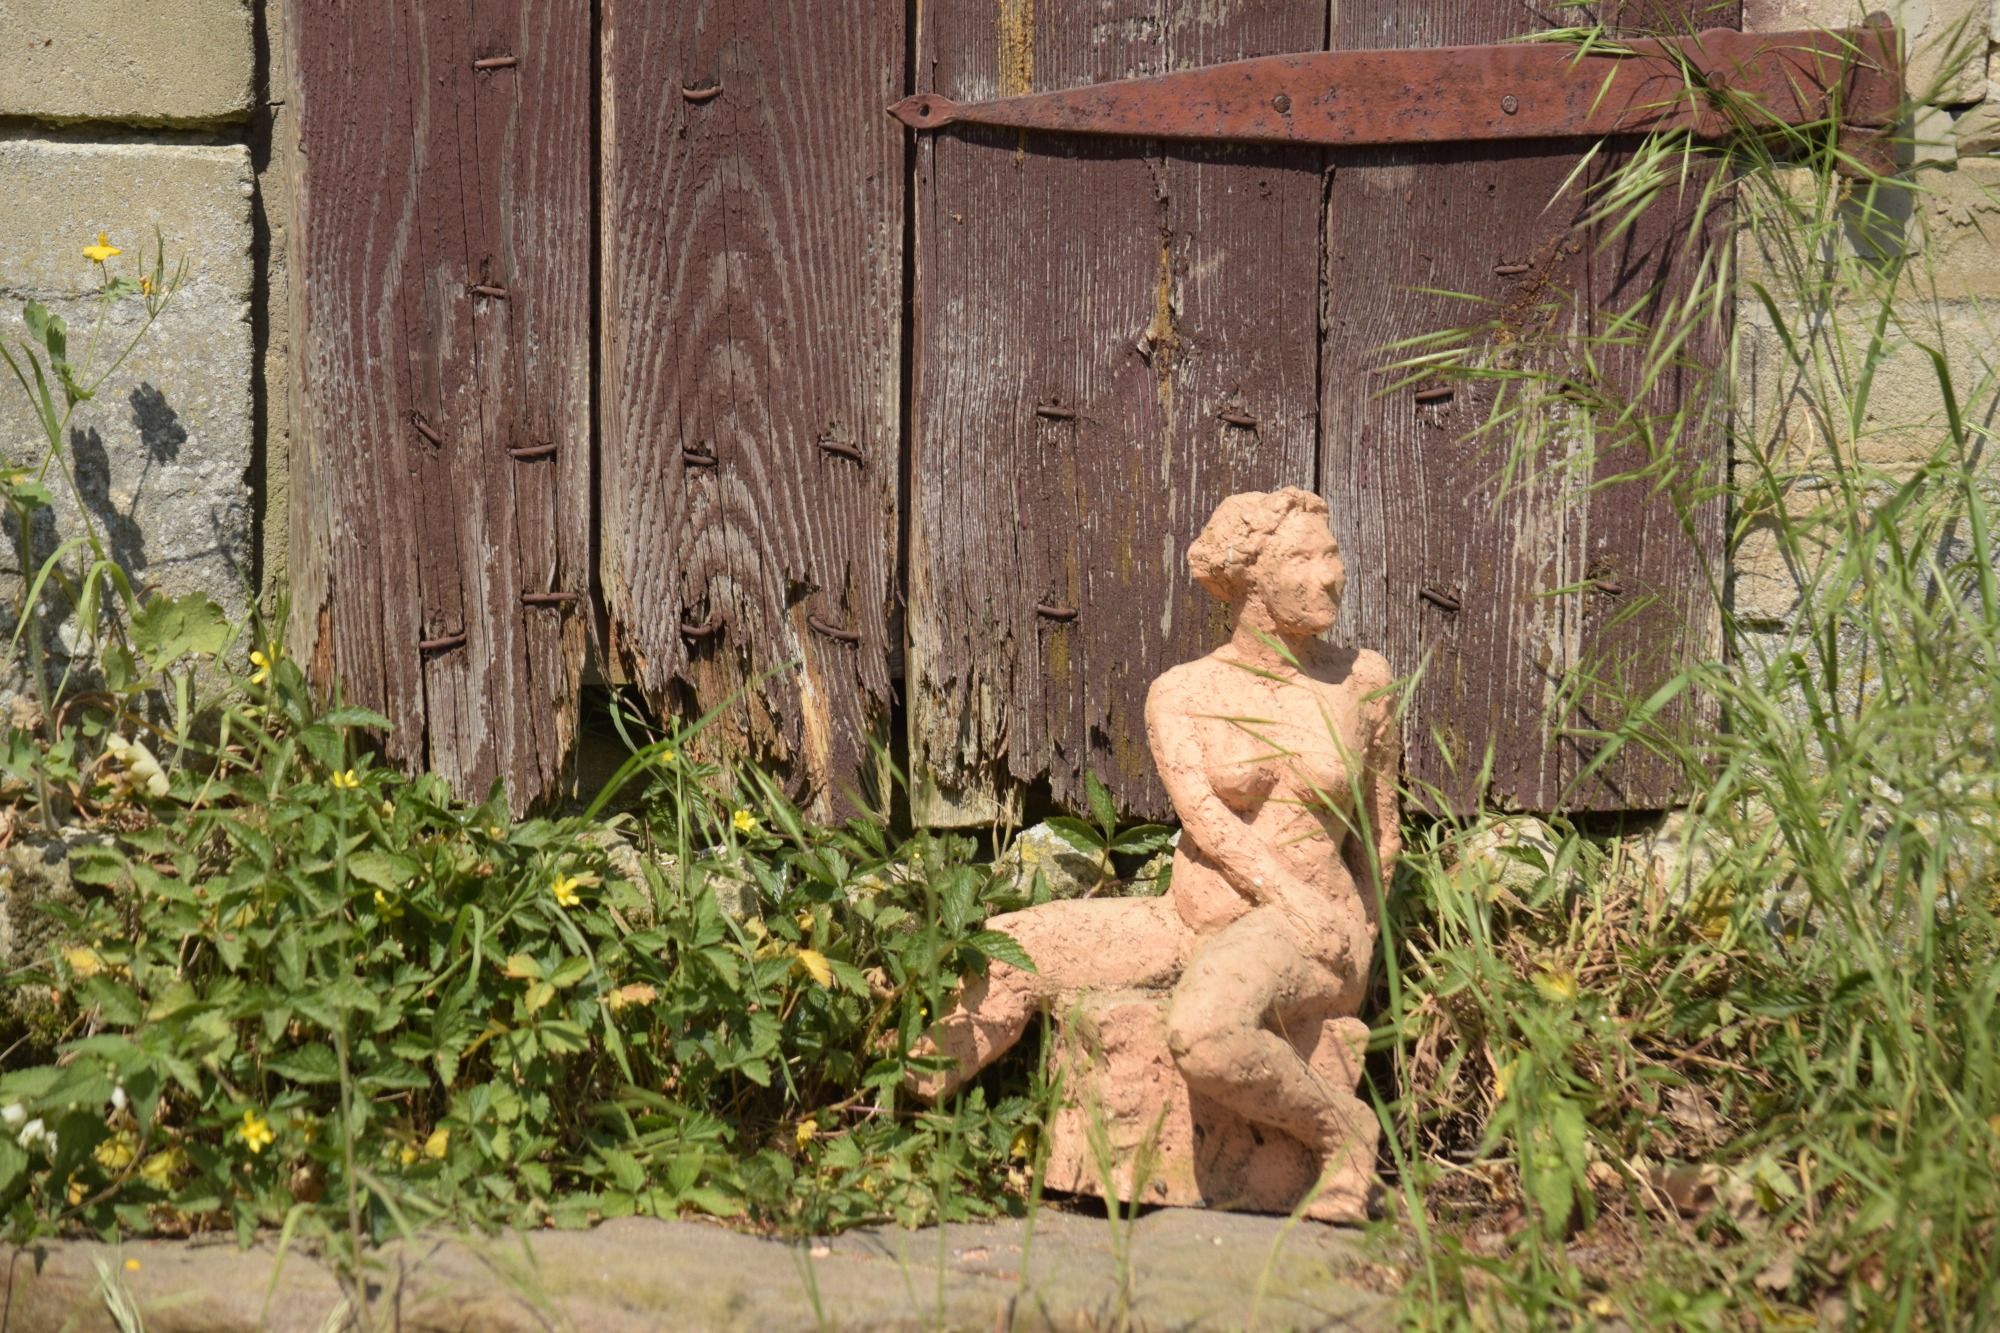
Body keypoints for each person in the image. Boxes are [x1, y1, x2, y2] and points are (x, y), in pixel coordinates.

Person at [908, 488, 1400, 1207]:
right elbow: (1207, 821)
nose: (1330, 575)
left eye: (1331, 555)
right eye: (1303, 558)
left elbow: (1380, 834)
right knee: (1011, 949)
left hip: (1310, 929)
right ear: (1249, 578)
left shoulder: (1361, 681)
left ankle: (1341, 1130)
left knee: (1203, 1032)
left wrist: (1355, 935)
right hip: (1188, 919)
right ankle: (895, 1117)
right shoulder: (1183, 692)